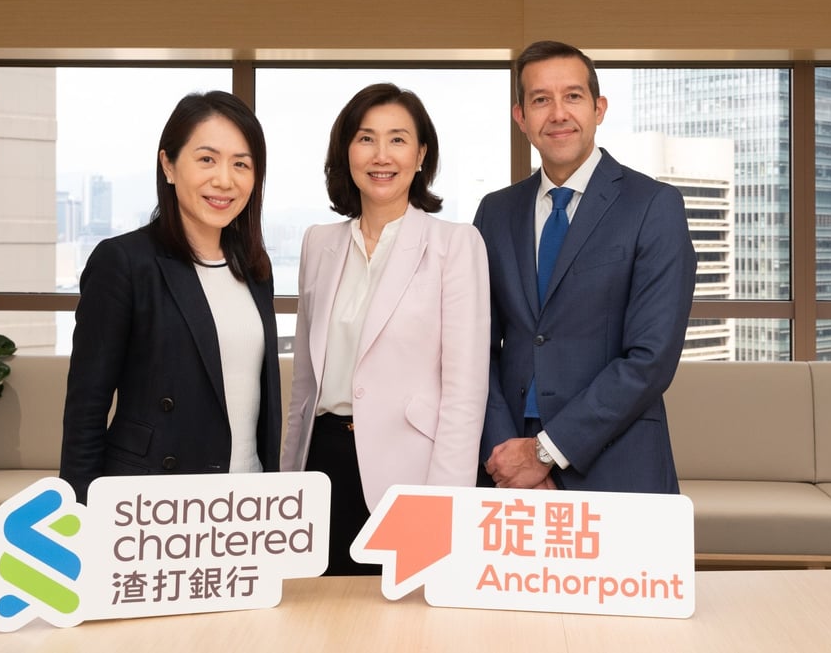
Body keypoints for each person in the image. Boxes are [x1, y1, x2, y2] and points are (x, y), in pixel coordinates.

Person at [281, 83, 490, 575]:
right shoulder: (318, 243)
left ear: (421, 155)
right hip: (322, 465)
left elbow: (465, 392)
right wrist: (287, 482)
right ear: (346, 152)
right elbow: (305, 386)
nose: (381, 155)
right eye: (365, 138)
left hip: (410, 471)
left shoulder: (454, 245)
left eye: (397, 140)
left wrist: (445, 505)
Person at [474, 41, 696, 494]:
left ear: (599, 108)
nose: (558, 113)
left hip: (615, 461)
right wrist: (508, 455)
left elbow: (650, 360)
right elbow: (477, 348)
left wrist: (544, 453)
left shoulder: (653, 205)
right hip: (508, 465)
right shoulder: (495, 212)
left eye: (572, 96)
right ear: (520, 117)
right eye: (540, 100)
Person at [60, 91, 281, 504]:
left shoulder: (254, 268)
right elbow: (86, 410)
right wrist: (80, 514)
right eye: (206, 159)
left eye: (241, 164)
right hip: (150, 504)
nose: (224, 180)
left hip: (249, 497)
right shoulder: (124, 262)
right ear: (169, 165)